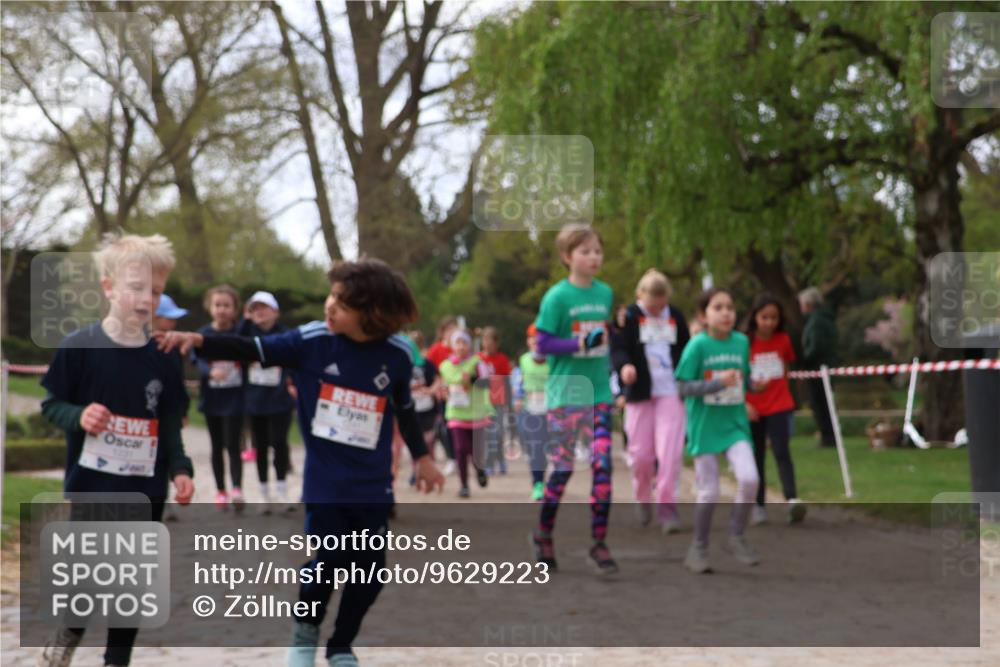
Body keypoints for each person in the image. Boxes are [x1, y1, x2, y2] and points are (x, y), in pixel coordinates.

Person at [156, 258, 444, 667]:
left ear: (372, 314)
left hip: (372, 484)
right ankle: (305, 635)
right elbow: (251, 348)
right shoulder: (310, 341)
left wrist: (423, 458)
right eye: (331, 296)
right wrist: (198, 341)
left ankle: (341, 645)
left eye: (341, 304)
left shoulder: (397, 355)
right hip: (325, 481)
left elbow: (404, 408)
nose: (329, 306)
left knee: (371, 571)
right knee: (327, 562)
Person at [38, 233, 194, 667]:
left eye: (156, 291)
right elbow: (51, 405)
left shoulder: (163, 358)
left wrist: (181, 469)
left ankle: (116, 659)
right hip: (92, 486)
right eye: (136, 287)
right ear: (108, 287)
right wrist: (79, 416)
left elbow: (170, 426)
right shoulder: (78, 347)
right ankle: (68, 633)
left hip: (146, 489)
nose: (147, 299)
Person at [531, 223, 618, 576]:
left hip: (599, 395)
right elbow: (543, 343)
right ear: (568, 257)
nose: (594, 257)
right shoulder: (557, 298)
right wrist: (580, 344)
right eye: (585, 251)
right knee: (563, 470)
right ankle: (543, 533)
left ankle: (598, 544)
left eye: (597, 250)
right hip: (566, 397)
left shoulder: (606, 294)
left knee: (603, 469)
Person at [674, 287, 767, 574]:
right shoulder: (697, 346)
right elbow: (681, 387)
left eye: (730, 307)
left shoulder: (741, 342)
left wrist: (754, 385)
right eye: (718, 307)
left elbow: (743, 377)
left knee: (750, 479)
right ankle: (698, 548)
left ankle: (736, 535)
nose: (726, 313)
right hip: (705, 426)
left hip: (734, 424)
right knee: (709, 492)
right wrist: (716, 383)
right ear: (704, 315)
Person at [611, 269, 691, 534]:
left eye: (662, 304)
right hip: (639, 393)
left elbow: (686, 349)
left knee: (670, 453)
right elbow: (618, 348)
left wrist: (687, 374)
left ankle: (668, 508)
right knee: (641, 455)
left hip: (670, 392)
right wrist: (625, 368)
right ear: (639, 296)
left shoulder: (675, 316)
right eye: (652, 305)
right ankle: (643, 495)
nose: (657, 310)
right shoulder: (628, 317)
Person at [744, 293, 806, 525]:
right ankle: (758, 505)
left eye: (774, 317)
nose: (769, 322)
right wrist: (745, 402)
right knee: (756, 455)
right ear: (755, 317)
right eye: (764, 317)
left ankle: (791, 499)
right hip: (754, 408)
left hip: (779, 404)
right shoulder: (745, 342)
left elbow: (787, 367)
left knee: (782, 451)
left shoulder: (783, 340)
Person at [239, 290, 297, 514]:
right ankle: (264, 493)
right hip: (255, 400)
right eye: (254, 308)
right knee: (259, 447)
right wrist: (245, 320)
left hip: (280, 400)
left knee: (280, 444)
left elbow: (294, 359)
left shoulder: (286, 334)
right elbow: (236, 342)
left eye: (264, 307)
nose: (259, 312)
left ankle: (282, 490)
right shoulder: (248, 333)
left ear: (276, 311)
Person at [196, 284, 246, 511]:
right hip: (212, 399)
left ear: (235, 309)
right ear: (209, 308)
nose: (222, 309)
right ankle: (220, 491)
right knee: (216, 446)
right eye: (217, 305)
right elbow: (196, 359)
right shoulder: (204, 334)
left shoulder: (241, 333)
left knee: (233, 445)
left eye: (227, 305)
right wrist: (209, 371)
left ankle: (237, 488)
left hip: (234, 398)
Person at [439, 329, 493, 497]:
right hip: (455, 412)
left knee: (475, 450)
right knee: (460, 449)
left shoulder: (477, 362)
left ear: (469, 345)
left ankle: (479, 469)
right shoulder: (445, 365)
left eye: (464, 343)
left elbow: (486, 383)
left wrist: (471, 380)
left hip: (475, 413)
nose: (461, 347)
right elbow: (445, 383)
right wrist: (445, 391)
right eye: (458, 343)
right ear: (452, 345)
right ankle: (464, 485)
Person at [154, 294, 191, 523]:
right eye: (168, 318)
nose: (173, 323)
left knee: (167, 453)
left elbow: (178, 384)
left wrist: (183, 410)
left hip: (167, 415)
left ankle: (164, 501)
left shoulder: (173, 349)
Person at [513, 324, 551, 501]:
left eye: (539, 338)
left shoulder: (553, 360)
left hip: (551, 411)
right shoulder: (524, 360)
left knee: (543, 447)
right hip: (530, 410)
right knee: (535, 447)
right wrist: (519, 397)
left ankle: (544, 480)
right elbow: (518, 382)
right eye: (532, 338)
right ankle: (538, 483)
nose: (535, 341)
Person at [799, 287, 839, 447]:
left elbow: (815, 347)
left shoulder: (816, 321)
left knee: (821, 404)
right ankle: (829, 436)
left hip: (817, 368)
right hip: (826, 366)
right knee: (826, 402)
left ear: (808, 304)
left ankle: (828, 437)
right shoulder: (827, 318)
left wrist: (804, 362)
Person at [479, 326, 512, 476]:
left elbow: (507, 381)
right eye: (485, 341)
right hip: (483, 403)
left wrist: (508, 402)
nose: (487, 345)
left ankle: (500, 460)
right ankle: (489, 462)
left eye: (491, 342)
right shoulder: (478, 359)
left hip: (498, 401)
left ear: (496, 344)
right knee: (487, 435)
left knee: (498, 434)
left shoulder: (502, 359)